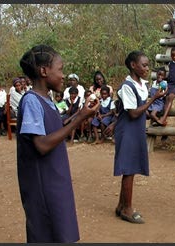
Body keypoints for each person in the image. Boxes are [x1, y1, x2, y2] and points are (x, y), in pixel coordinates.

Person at [17, 44, 99, 243]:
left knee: (61, 227)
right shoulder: (31, 101)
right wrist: (79, 120)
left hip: (55, 175)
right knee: (47, 229)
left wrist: (80, 113)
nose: (63, 76)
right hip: (43, 182)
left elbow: (53, 128)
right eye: (60, 70)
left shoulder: (46, 99)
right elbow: (42, 145)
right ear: (44, 71)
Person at [114, 50, 166, 224]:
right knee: (129, 169)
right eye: (143, 65)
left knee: (131, 168)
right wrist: (153, 100)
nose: (146, 68)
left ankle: (122, 206)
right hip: (128, 130)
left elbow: (142, 111)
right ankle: (127, 209)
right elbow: (133, 113)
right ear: (133, 65)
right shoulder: (127, 87)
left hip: (135, 131)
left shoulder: (142, 84)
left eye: (147, 65)